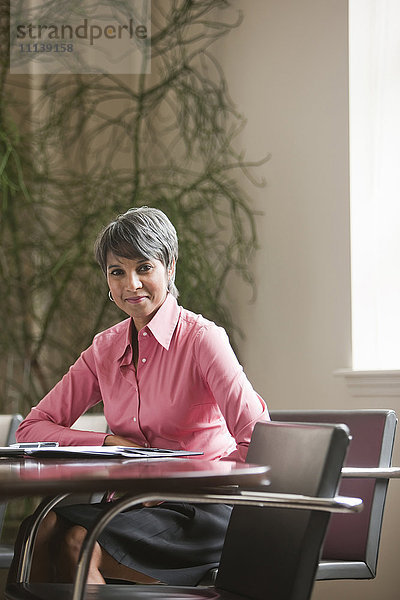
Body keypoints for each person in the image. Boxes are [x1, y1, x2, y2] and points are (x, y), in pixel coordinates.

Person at [13, 206, 269, 585]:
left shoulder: (203, 340)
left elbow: (259, 439)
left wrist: (174, 483)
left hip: (200, 507)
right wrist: (105, 443)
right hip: (130, 507)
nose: (131, 284)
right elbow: (32, 429)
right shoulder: (105, 349)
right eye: (117, 272)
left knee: (78, 543)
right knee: (39, 529)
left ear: (170, 268)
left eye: (144, 268)